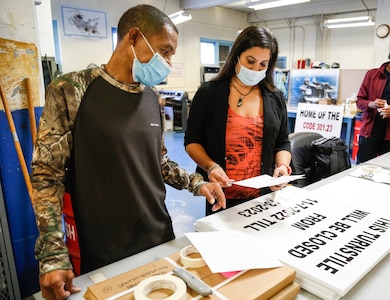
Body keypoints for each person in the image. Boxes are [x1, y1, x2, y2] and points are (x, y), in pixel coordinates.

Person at [30, 5, 226, 299]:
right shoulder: (72, 89)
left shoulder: (152, 96)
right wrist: (52, 254)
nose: (169, 62)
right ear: (134, 37)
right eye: (165, 51)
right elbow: (47, 175)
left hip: (157, 233)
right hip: (102, 243)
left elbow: (159, 162)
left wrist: (198, 184)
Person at [184, 26, 292, 215]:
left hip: (263, 198)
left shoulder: (275, 98)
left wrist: (282, 167)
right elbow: (192, 141)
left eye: (263, 64)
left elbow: (282, 142)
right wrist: (211, 167)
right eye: (250, 61)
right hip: (222, 197)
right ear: (236, 55)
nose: (256, 69)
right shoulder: (209, 93)